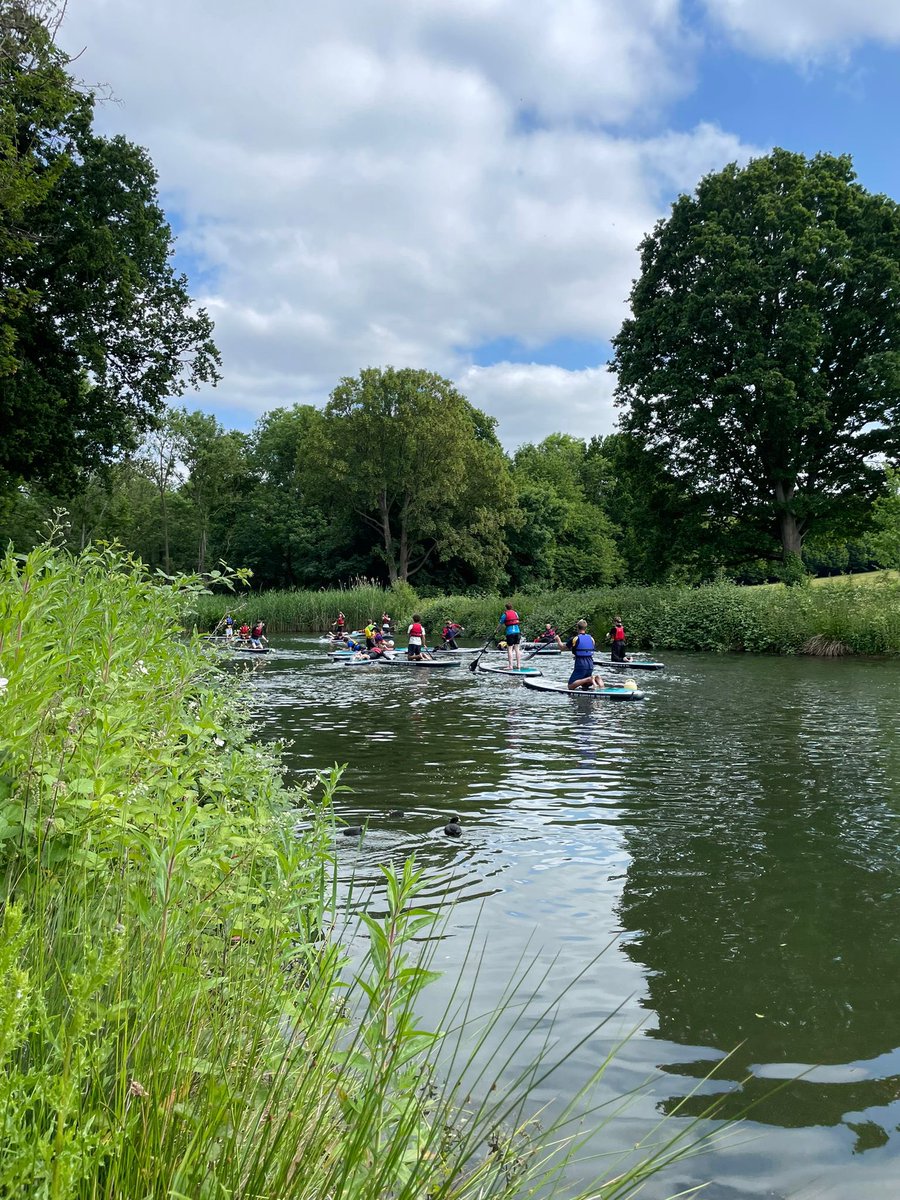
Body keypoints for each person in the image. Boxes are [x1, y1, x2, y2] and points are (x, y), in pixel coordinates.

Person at [556, 619, 605, 691]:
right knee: (585, 686)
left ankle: (590, 678)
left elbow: (562, 648)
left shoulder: (575, 638)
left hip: (580, 663)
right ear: (585, 628)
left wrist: (558, 639)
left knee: (570, 686)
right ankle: (597, 679)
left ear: (577, 628)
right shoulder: (591, 638)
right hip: (590, 663)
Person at [497, 603, 522, 670]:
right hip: (517, 632)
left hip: (510, 633)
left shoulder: (505, 614)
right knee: (517, 649)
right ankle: (518, 665)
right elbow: (517, 620)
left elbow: (500, 624)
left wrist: (496, 630)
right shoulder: (515, 613)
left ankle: (510, 666)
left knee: (510, 649)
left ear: (506, 608)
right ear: (512, 607)